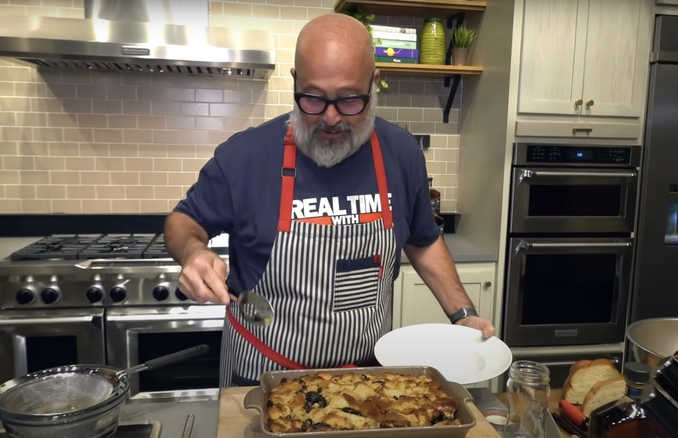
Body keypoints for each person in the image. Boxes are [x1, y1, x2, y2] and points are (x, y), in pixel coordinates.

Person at [164, 13, 495, 387]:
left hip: (368, 380)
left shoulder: (401, 154)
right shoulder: (246, 155)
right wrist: (192, 251)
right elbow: (183, 221)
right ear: (295, 82)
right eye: (314, 98)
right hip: (260, 379)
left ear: (374, 83)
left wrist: (462, 313)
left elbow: (423, 239)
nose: (332, 117)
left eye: (350, 100)